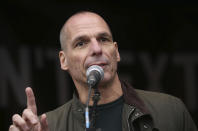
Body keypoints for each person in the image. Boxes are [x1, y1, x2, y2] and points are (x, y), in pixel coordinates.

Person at [9, 11, 197, 131]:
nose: (97, 49)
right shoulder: (48, 126)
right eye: (81, 43)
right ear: (63, 60)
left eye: (103, 39)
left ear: (116, 52)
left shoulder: (171, 110)